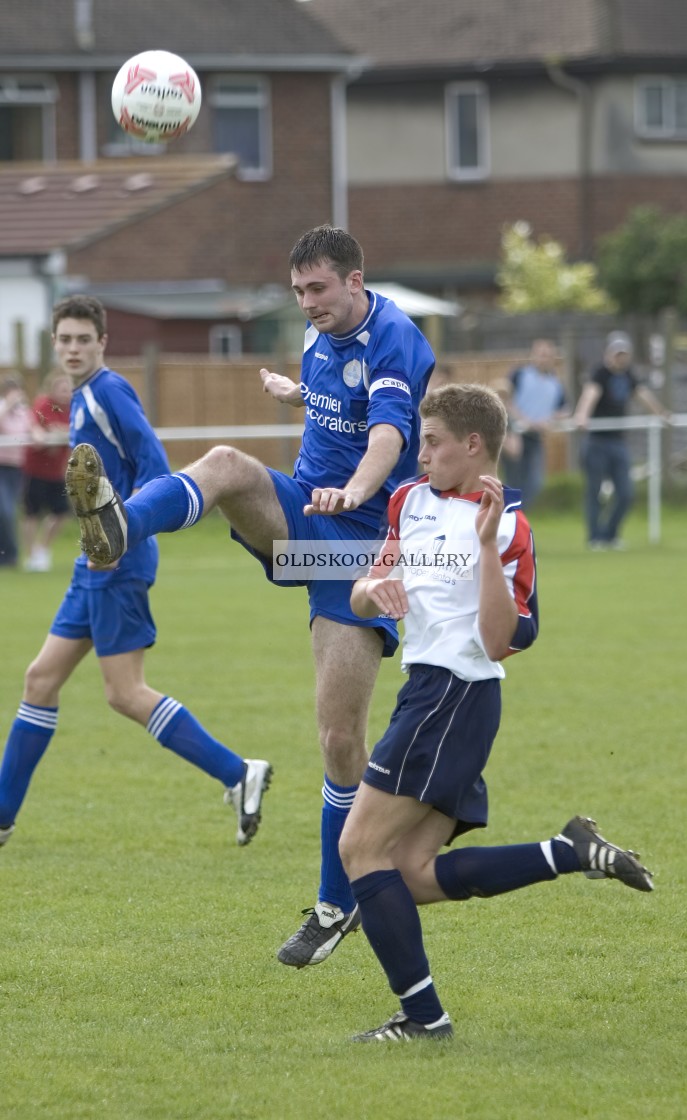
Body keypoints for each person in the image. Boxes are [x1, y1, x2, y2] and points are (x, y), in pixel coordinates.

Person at [61, 227, 435, 966]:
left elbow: (389, 436)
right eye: (298, 293)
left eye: (318, 290)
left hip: (365, 544)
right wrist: (294, 392)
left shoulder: (395, 336)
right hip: (305, 517)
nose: (307, 304)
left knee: (338, 741)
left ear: (355, 280)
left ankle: (335, 906)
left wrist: (354, 490)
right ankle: (120, 525)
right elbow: (336, 396)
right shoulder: (317, 335)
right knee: (229, 462)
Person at [340, 383, 654, 1042]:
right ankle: (567, 851)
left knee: (359, 848)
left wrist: (484, 546)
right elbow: (364, 594)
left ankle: (424, 1021)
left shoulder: (508, 522)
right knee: (410, 875)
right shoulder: (407, 500)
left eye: (431, 442)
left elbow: (498, 639)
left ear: (473, 444)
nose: (419, 454)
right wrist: (375, 588)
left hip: (455, 695)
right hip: (427, 693)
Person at [0, 295, 271, 852]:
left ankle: (238, 772)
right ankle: (2, 814)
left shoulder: (108, 392)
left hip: (117, 559)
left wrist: (128, 535)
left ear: (103, 342)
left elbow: (154, 466)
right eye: (65, 339)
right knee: (40, 679)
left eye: (83, 339)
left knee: (125, 693)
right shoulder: (82, 396)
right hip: (92, 560)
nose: (74, 348)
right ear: (55, 343)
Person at [574, 332, 670, 550]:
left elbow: (643, 394)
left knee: (626, 492)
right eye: (617, 354)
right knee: (595, 491)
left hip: (617, 442)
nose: (620, 358)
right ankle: (595, 538)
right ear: (608, 353)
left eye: (624, 354)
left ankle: (611, 535)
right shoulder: (600, 373)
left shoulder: (629, 375)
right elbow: (590, 394)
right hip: (597, 441)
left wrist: (661, 413)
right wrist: (582, 415)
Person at [501, 339, 569, 508]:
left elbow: (564, 410)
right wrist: (524, 420)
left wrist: (549, 420)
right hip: (515, 435)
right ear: (533, 355)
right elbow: (504, 398)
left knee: (535, 482)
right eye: (540, 354)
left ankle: (518, 517)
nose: (543, 358)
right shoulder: (520, 374)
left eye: (547, 355)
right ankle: (509, 519)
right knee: (513, 482)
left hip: (535, 438)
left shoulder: (556, 384)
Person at [21, 371, 73, 572]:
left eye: (69, 388)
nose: (66, 392)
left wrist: (61, 431)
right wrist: (58, 431)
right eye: (62, 388)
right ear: (52, 389)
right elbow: (44, 430)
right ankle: (32, 555)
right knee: (31, 513)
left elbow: (72, 430)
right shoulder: (44, 404)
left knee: (61, 512)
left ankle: (42, 549)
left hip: (56, 471)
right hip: (36, 469)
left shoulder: (72, 408)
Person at [0, 376, 35, 569]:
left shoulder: (24, 413)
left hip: (17, 469)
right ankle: (8, 553)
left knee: (10, 511)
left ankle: (9, 556)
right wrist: (7, 405)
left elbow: (32, 429)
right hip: (1, 467)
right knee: (4, 510)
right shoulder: (2, 408)